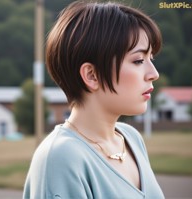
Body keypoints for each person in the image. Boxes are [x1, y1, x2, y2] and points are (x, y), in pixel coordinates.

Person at [23, 1, 164, 198]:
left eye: (152, 59)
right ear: (92, 75)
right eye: (138, 60)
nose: (153, 73)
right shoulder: (61, 158)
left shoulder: (131, 138)